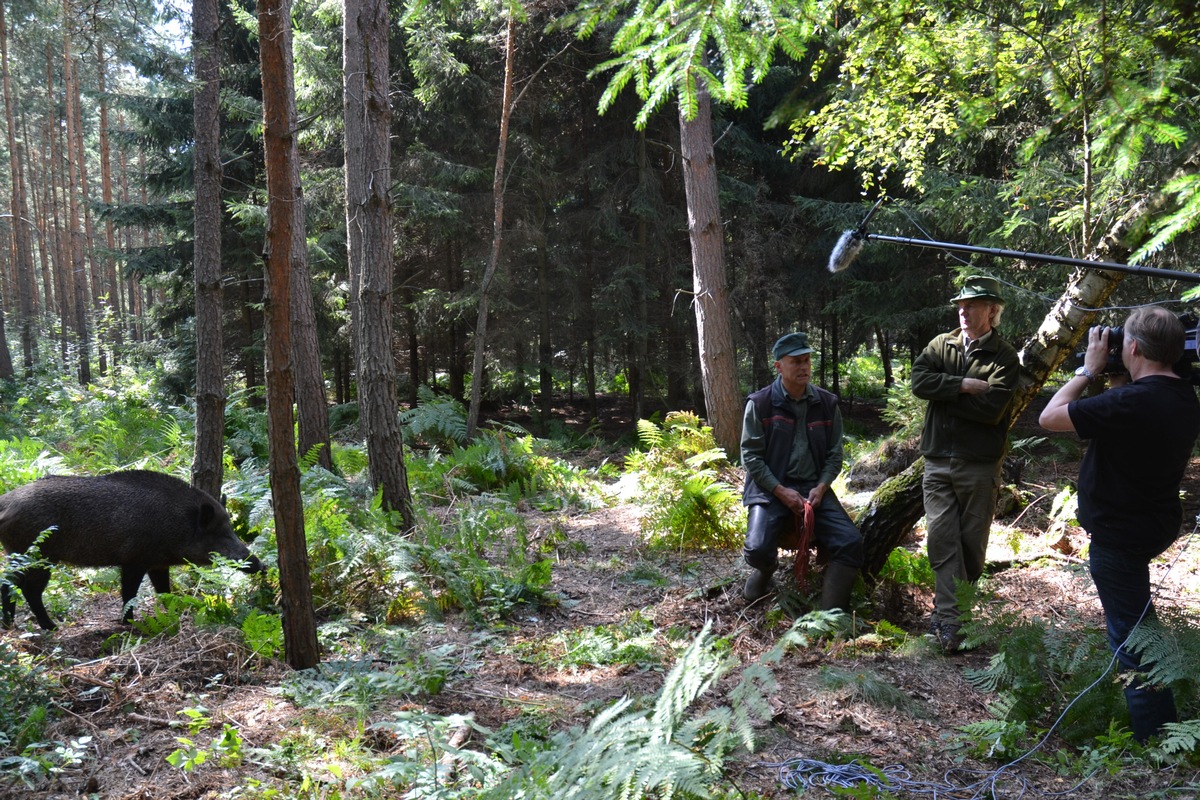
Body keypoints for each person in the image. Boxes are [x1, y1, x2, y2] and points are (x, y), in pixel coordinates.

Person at [1039, 306, 1200, 743]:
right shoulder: (1183, 395)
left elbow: (1050, 417)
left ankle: (1160, 738)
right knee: (1136, 622)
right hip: (1152, 522)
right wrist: (1117, 375)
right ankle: (1166, 722)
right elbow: (1123, 421)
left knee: (1132, 637)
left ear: (1131, 347)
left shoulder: (1131, 401)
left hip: (1119, 533)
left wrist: (1089, 371)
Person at [911, 276, 1020, 653]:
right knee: (942, 538)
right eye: (960, 305)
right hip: (938, 460)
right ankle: (950, 620)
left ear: (992, 311)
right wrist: (962, 385)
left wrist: (944, 393)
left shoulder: (1005, 357)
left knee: (971, 546)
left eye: (971, 305)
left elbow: (991, 410)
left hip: (979, 464)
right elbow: (918, 381)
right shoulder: (942, 344)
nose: (963, 311)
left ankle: (960, 614)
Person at [741, 332, 863, 610]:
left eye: (807, 360)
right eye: (796, 361)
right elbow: (750, 456)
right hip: (770, 488)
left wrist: (821, 487)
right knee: (757, 550)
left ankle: (830, 616)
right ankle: (765, 572)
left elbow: (835, 454)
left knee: (850, 541)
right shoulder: (759, 404)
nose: (804, 367)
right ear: (779, 366)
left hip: (813, 487)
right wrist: (781, 491)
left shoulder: (827, 403)